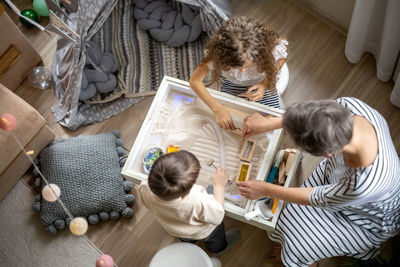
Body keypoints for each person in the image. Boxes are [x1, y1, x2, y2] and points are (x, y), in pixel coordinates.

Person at [238, 97, 400, 266]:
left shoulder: (363, 185)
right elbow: (313, 117)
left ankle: (306, 260)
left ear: (329, 154)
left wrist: (266, 189)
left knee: (289, 227)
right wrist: (268, 124)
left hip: (365, 218)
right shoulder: (349, 105)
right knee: (286, 208)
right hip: (338, 181)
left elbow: (316, 197)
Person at [189, 16, 288, 130]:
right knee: (232, 118)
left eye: (248, 66)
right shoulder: (215, 56)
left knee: (273, 120)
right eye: (235, 67)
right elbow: (195, 81)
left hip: (262, 83)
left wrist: (264, 84)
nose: (243, 72)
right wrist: (217, 109)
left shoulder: (272, 48)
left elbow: (281, 60)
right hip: (231, 84)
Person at [138, 150, 239, 255]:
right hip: (203, 231)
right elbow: (218, 215)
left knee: (186, 238)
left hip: (176, 229)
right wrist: (219, 185)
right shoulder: (195, 201)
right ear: (185, 194)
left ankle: (190, 242)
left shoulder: (144, 187)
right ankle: (219, 249)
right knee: (214, 239)